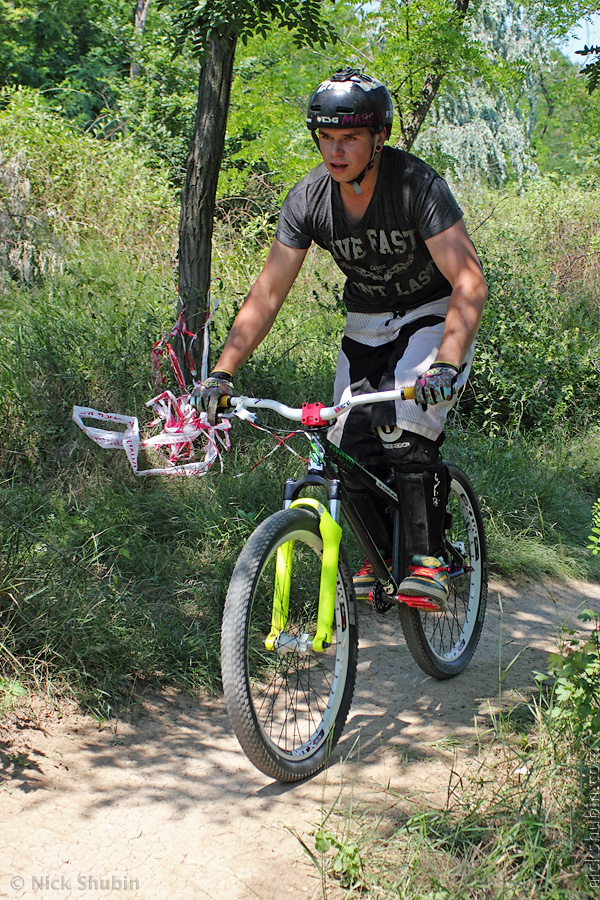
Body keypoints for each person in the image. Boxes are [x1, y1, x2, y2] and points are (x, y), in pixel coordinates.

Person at [193, 67, 488, 610]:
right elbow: (268, 293)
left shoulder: (414, 186)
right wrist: (222, 371)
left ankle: (427, 561)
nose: (336, 150)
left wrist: (445, 364)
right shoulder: (309, 198)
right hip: (366, 323)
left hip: (432, 312)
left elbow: (469, 279)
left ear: (379, 137)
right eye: (325, 137)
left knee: (405, 430)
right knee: (347, 452)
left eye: (349, 137)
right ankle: (380, 558)